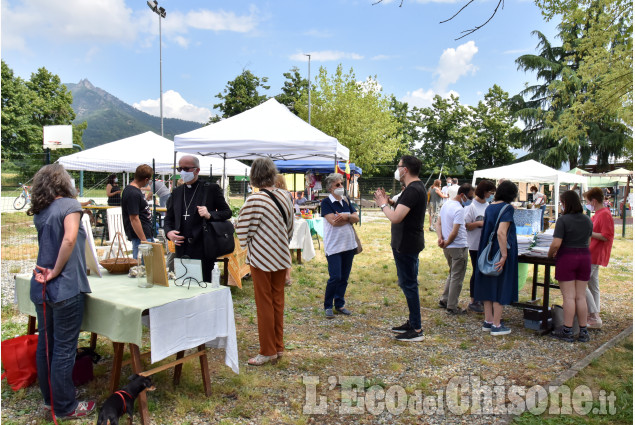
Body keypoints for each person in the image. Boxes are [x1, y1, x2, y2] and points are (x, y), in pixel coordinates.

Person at [28, 164, 96, 419]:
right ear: (63, 182)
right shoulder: (70, 206)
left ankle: (50, 401)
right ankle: (65, 407)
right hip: (64, 286)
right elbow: (68, 239)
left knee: (46, 347)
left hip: (41, 286)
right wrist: (56, 270)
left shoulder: (42, 210)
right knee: (64, 349)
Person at [237, 158, 294, 365]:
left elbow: (242, 232)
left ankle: (267, 350)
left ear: (254, 175)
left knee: (264, 304)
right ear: (272, 173)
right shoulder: (285, 195)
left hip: (261, 259)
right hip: (280, 255)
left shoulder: (255, 199)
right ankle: (278, 347)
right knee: (278, 302)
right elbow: (290, 227)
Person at [373, 155, 427, 342]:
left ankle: (417, 329)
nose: (397, 169)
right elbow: (403, 208)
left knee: (409, 284)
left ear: (405, 169)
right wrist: (390, 202)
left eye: (399, 166)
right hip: (406, 243)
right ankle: (413, 322)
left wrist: (382, 205)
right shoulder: (414, 189)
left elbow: (396, 217)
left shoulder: (413, 189)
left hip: (407, 244)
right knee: (407, 283)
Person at [164, 155, 231, 282]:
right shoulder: (177, 192)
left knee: (204, 285)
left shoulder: (210, 189)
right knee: (184, 283)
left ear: (197, 170)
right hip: (182, 246)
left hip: (203, 246)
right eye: (180, 169)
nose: (183, 172)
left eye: (186, 169)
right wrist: (169, 233)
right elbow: (169, 219)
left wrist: (210, 214)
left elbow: (227, 212)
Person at [474, 180, 519, 336]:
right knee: (501, 285)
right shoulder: (507, 208)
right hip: (499, 251)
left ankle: (488, 320)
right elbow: (501, 232)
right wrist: (505, 254)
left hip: (486, 250)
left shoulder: (490, 207)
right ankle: (497, 325)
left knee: (488, 283)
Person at [548, 190, 593, 342]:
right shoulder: (587, 219)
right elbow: (589, 239)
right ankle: (583, 330)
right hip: (585, 256)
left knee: (568, 297)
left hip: (567, 257)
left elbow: (556, 243)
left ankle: (567, 330)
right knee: (580, 296)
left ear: (565, 203)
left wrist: (550, 254)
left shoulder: (563, 220)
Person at [321, 173, 360, 319]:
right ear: (330, 188)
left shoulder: (346, 200)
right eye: (337, 185)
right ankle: (327, 305)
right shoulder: (326, 203)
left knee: (344, 277)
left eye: (341, 184)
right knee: (335, 277)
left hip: (348, 245)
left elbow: (356, 217)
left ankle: (340, 304)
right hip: (334, 246)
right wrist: (349, 218)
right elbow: (333, 222)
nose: (341, 187)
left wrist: (346, 217)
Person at [436, 183, 474, 315]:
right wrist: (446, 242)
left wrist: (440, 238)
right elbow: (455, 231)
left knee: (452, 274)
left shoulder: (446, 204)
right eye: (470, 197)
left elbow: (438, 223)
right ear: (462, 195)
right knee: (457, 277)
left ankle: (445, 299)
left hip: (448, 246)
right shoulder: (459, 209)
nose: (471, 200)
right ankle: (452, 306)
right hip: (458, 246)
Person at [583, 187, 615, 328]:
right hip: (593, 252)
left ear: (594, 201)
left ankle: (594, 315)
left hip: (595, 253)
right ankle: (594, 314)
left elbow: (606, 236)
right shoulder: (599, 213)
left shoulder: (604, 214)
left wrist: (589, 233)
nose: (587, 204)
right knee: (593, 285)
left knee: (582, 284)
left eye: (587, 201)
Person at [465, 179, 496, 313]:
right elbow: (467, 226)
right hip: (474, 244)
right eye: (490, 192)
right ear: (484, 192)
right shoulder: (471, 206)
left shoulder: (488, 205)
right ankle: (474, 300)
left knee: (485, 271)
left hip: (486, 244)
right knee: (476, 271)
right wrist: (479, 224)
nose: (491, 195)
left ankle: (483, 297)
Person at [121, 164, 154, 259]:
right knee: (142, 267)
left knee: (149, 264)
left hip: (145, 232)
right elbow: (134, 219)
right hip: (140, 236)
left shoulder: (135, 190)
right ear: (146, 179)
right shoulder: (133, 193)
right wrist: (144, 240)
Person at [274, 174, 294, 286]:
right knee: (285, 251)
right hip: (284, 226)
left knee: (285, 251)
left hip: (281, 226)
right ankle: (286, 277)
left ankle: (286, 276)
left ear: (278, 183)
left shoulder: (284, 195)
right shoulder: (287, 194)